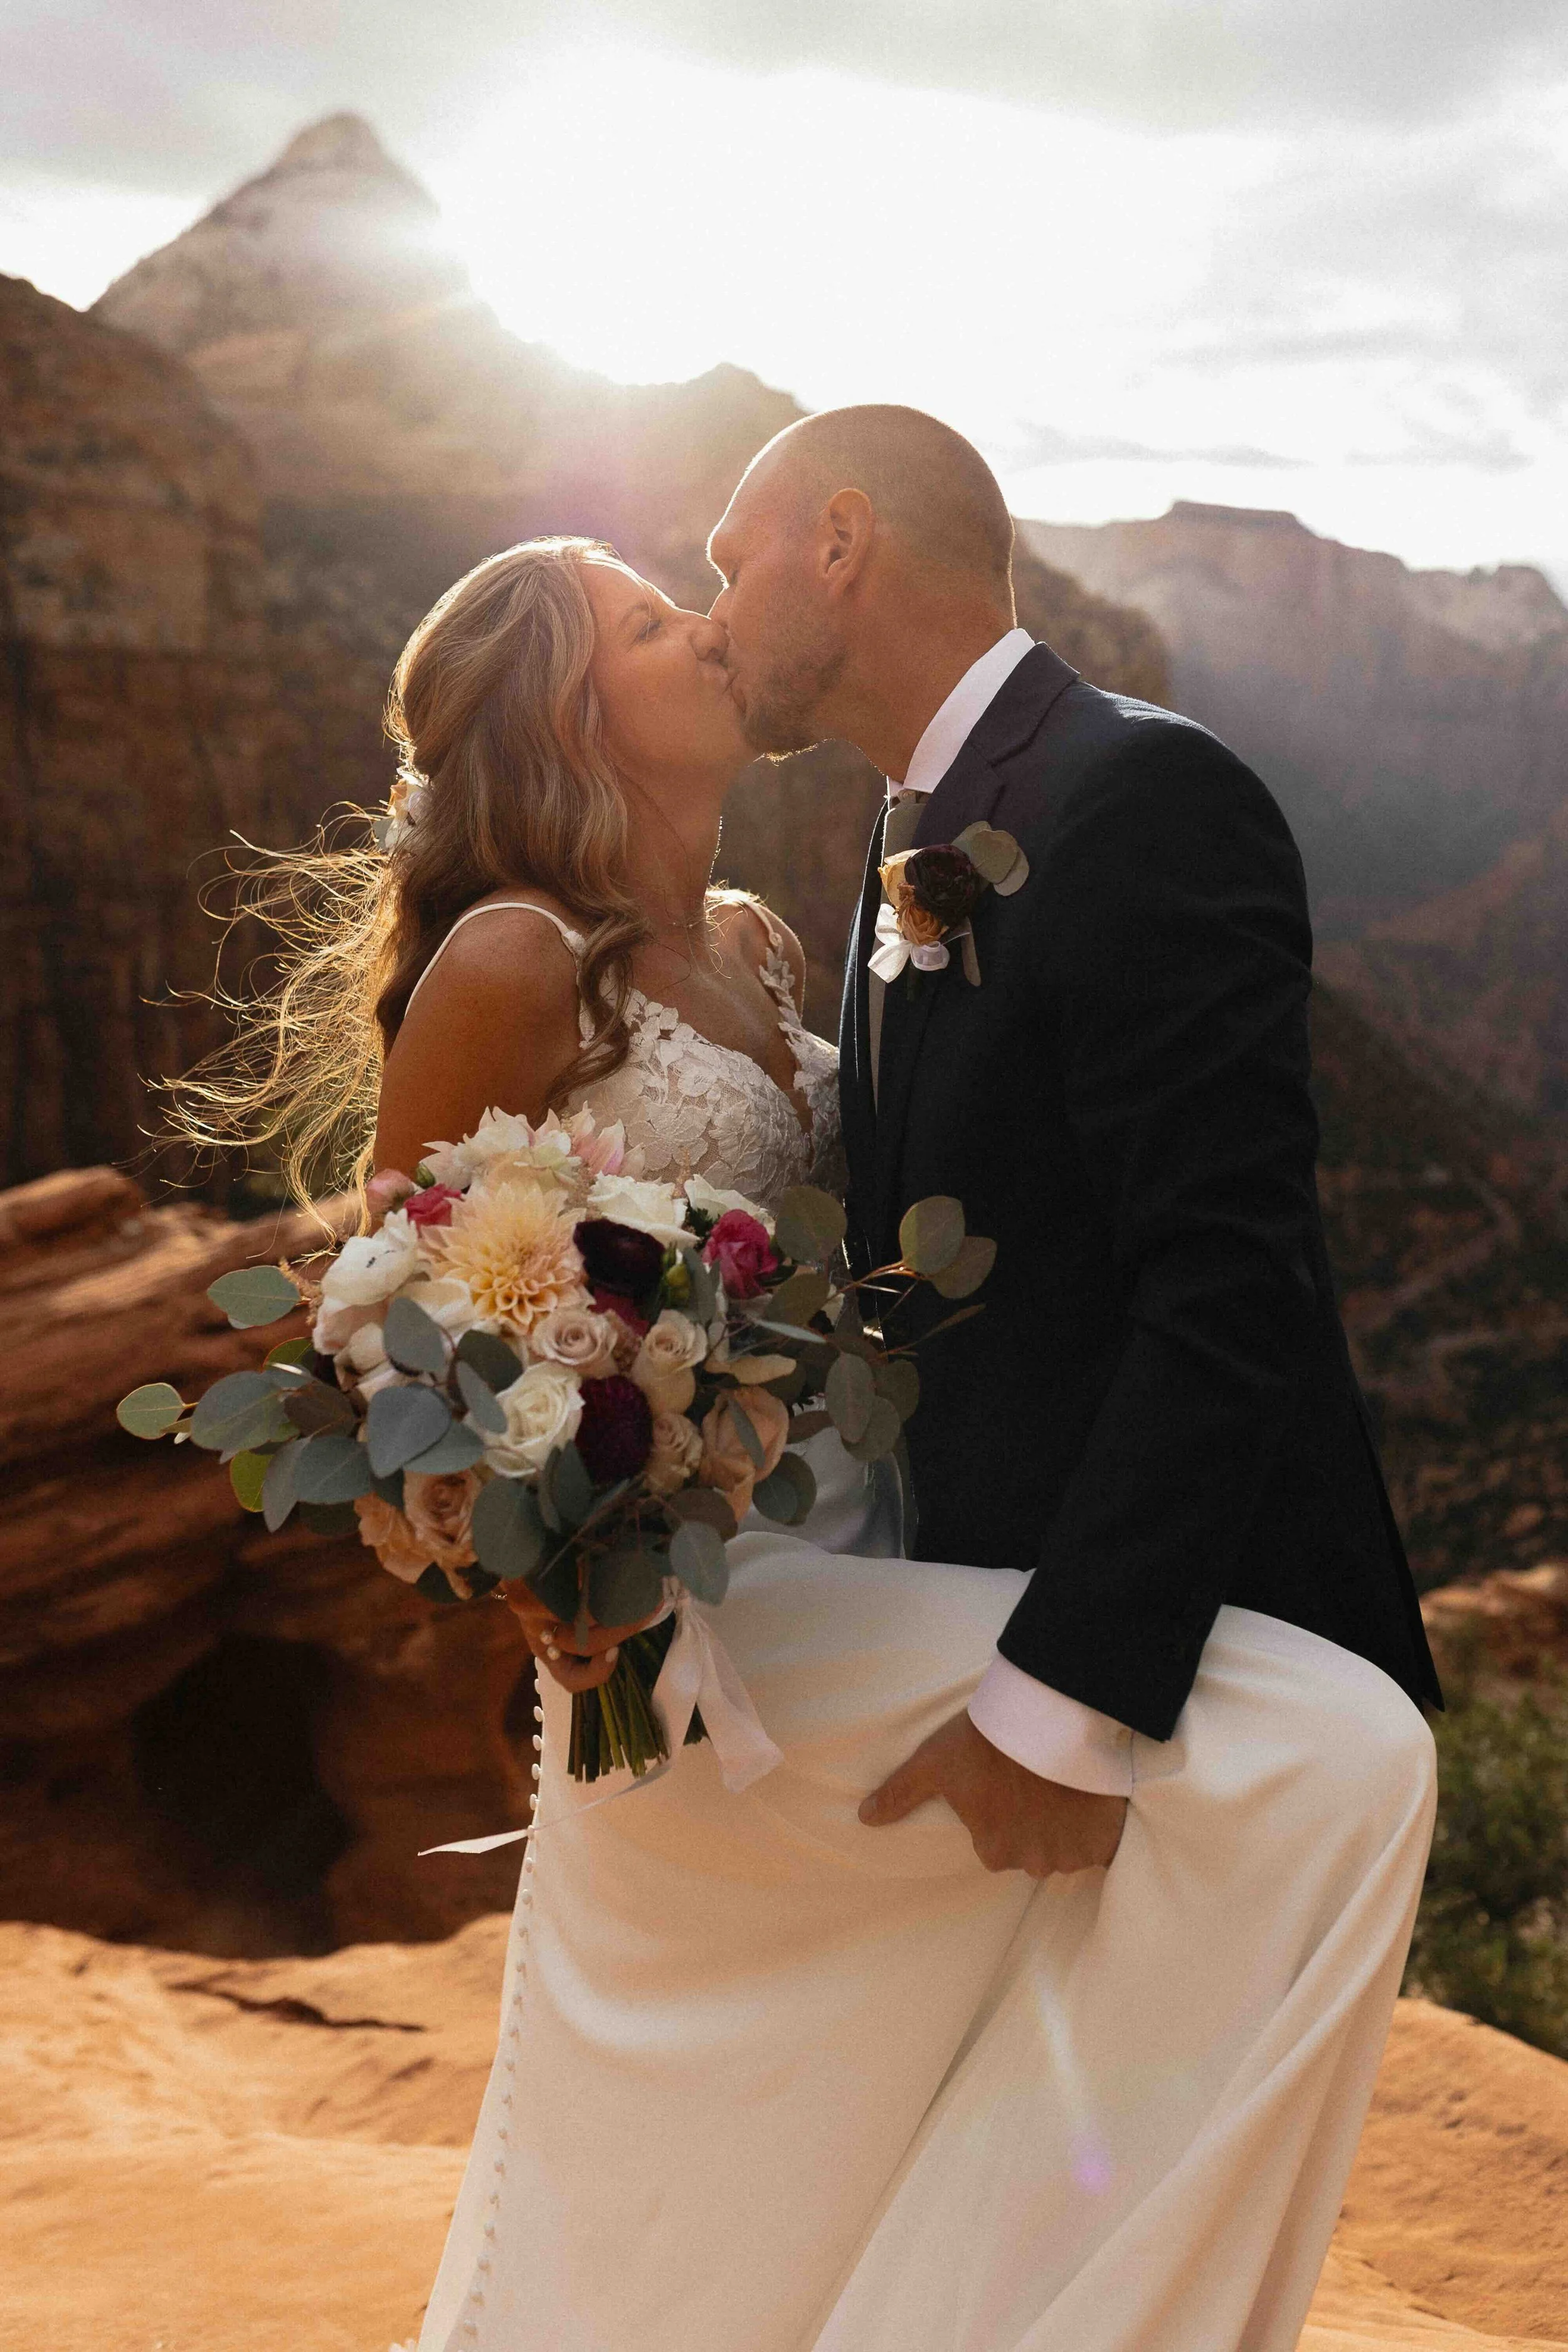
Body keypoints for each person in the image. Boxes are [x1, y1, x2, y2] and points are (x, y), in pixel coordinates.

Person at [183, 469, 1437, 2349]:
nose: (698, 623)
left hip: (885, 1561)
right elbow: (392, 1332)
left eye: (695, 591)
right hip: (710, 1641)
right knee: (1324, 1747)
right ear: (561, 714)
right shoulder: (511, 959)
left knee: (766, 2197)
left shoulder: (781, 937)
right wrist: (543, 1532)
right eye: (641, 620)